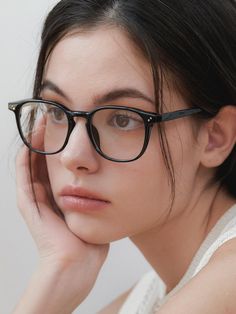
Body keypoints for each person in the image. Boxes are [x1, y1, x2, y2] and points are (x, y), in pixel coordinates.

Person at [8, 0, 236, 313]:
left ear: (215, 137)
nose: (72, 156)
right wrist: (59, 270)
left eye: (122, 119)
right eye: (56, 111)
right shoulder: (151, 296)